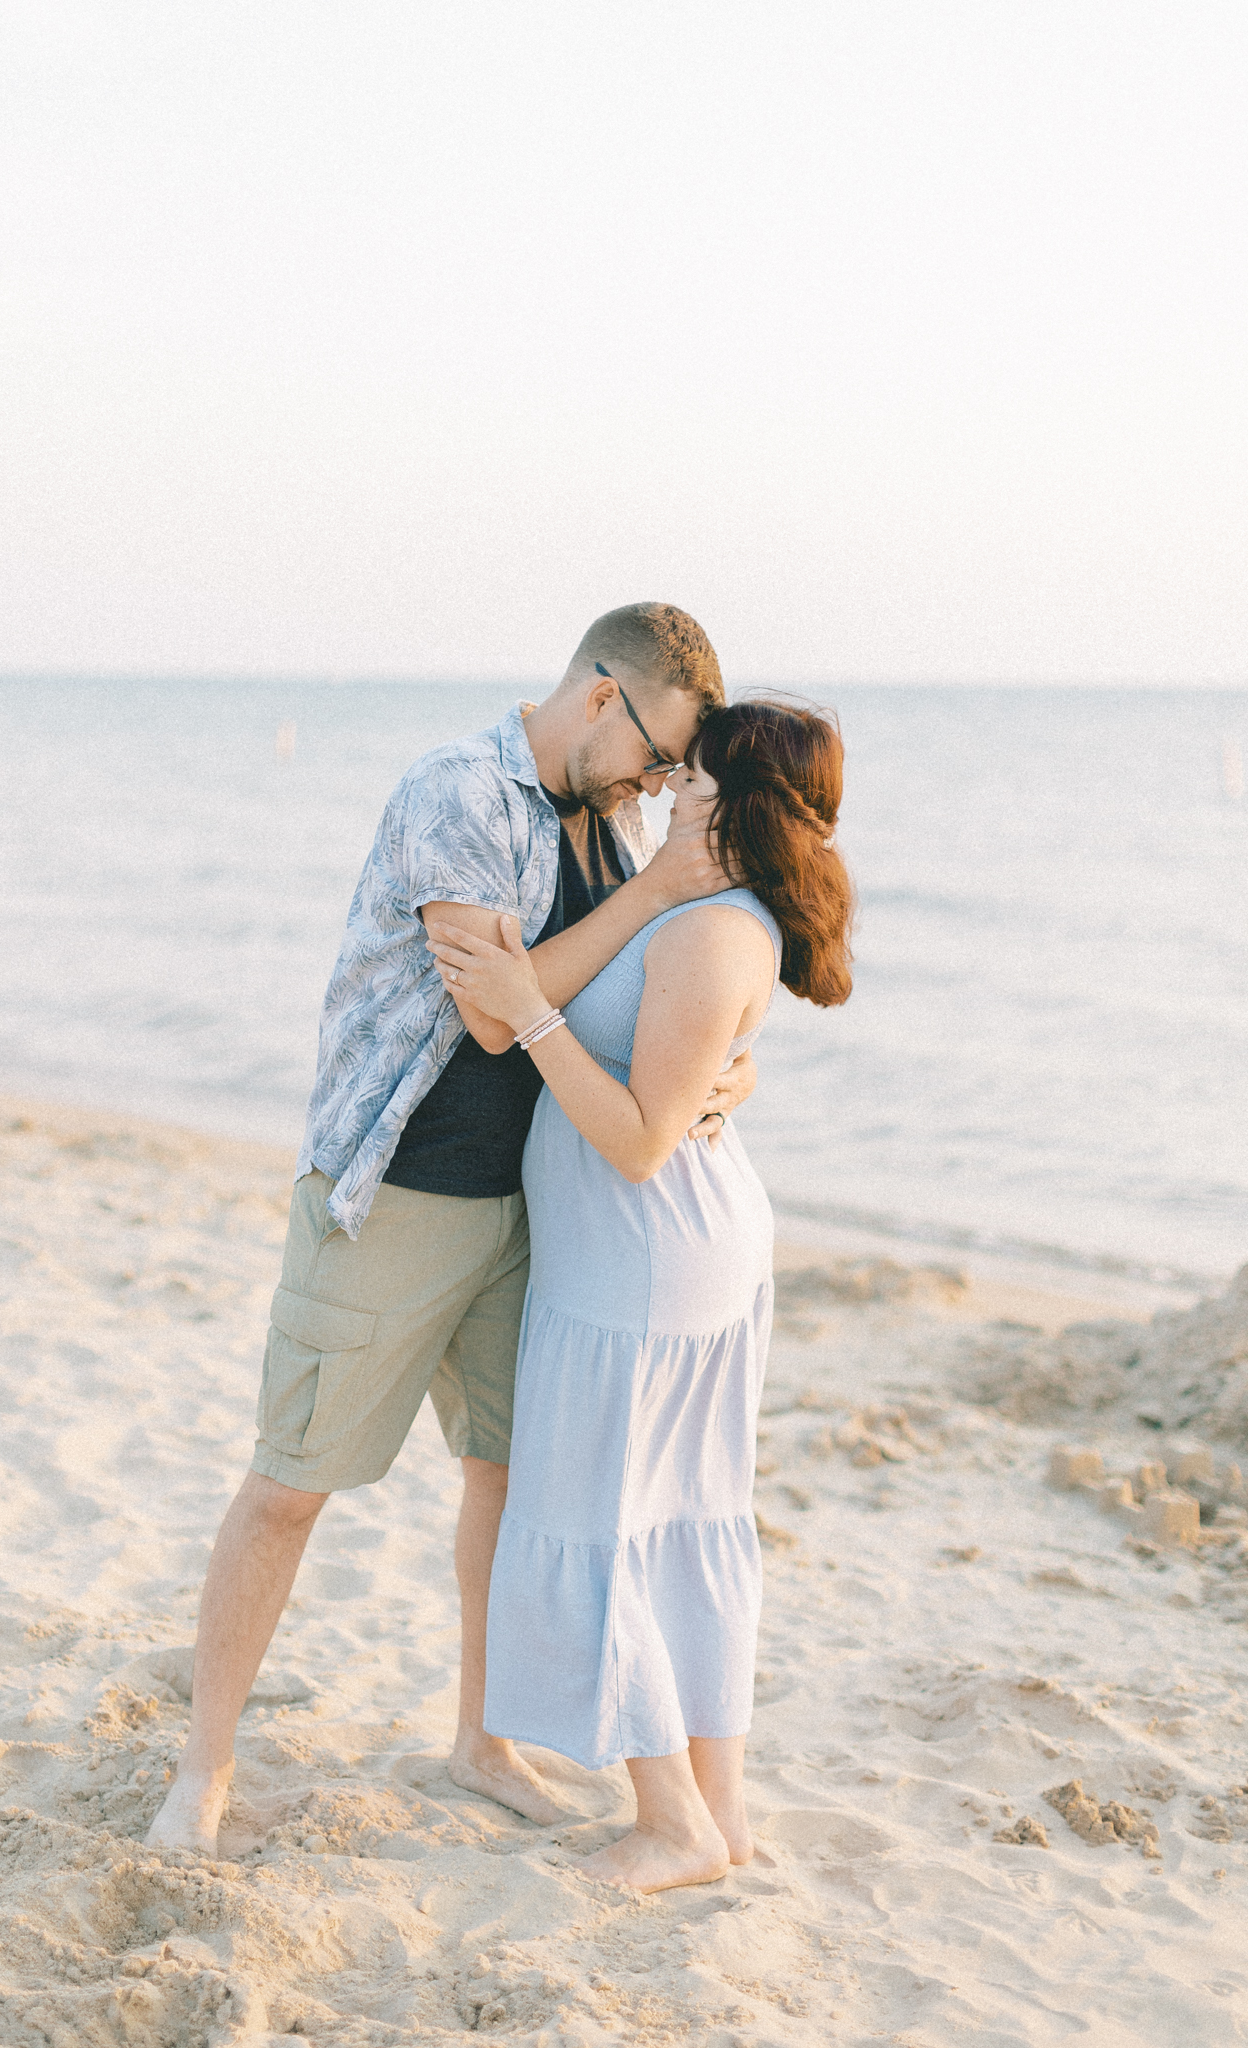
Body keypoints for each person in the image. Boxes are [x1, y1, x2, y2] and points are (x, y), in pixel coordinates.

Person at [147, 603, 760, 1856]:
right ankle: (202, 1767)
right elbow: (495, 1017)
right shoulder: (458, 792)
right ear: (602, 695)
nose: (657, 778)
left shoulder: (618, 815)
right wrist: (650, 890)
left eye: (669, 767)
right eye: (654, 749)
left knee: (500, 1473)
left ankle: (479, 1736)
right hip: (399, 1189)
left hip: (535, 1204)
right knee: (292, 1483)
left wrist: (726, 1071)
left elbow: (624, 989)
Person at [425, 696, 854, 1893]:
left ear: (741, 806)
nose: (669, 791)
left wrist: (533, 1013)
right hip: (654, 1256)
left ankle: (671, 1819)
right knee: (673, 1524)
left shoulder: (712, 933)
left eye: (695, 782)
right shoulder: (698, 908)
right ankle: (721, 1806)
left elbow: (636, 1140)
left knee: (602, 1525)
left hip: (643, 1260)